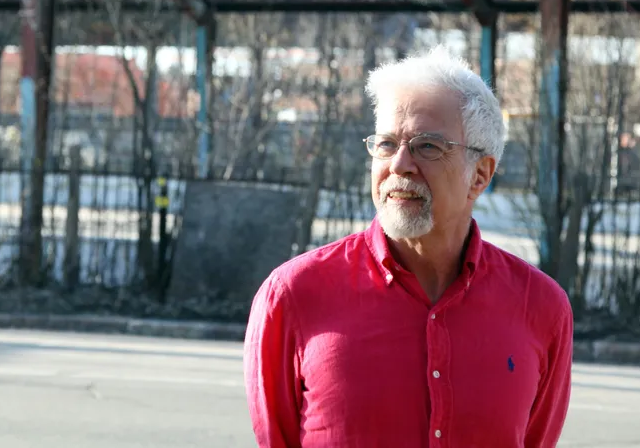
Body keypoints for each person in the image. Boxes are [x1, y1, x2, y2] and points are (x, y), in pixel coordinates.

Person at [243, 46, 574, 448]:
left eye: (427, 146)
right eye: (385, 144)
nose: (400, 164)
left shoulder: (541, 308)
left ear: (480, 174)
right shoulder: (293, 295)